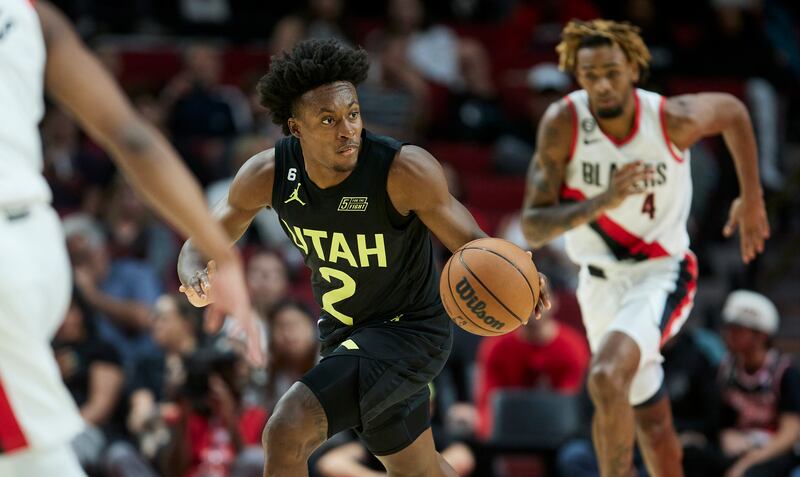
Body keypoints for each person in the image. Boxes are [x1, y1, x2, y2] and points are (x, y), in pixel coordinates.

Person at [177, 38, 549, 477]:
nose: (347, 129)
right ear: (296, 128)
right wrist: (193, 273)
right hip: (345, 333)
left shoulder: (403, 170)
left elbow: (472, 242)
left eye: (352, 114)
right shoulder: (269, 174)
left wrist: (524, 277)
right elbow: (201, 240)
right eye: (328, 120)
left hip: (410, 332)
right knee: (418, 470)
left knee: (286, 429)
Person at [0, 2, 253, 476]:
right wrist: (224, 257)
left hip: (6, 263)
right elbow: (132, 138)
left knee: (33, 461)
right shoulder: (31, 13)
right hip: (33, 236)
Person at [521, 19, 770, 477]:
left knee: (604, 376)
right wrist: (603, 201)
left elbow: (733, 111)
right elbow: (534, 226)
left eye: (612, 71)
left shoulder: (669, 119)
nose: (602, 84)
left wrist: (751, 197)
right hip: (597, 284)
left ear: (634, 68)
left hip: (660, 274)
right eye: (590, 74)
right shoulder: (563, 122)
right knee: (652, 423)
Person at [711, 290, 800, 477]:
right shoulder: (726, 369)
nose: (730, 335)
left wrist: (746, 463)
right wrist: (725, 435)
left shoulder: (784, 372)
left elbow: (790, 434)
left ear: (761, 336)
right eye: (729, 328)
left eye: (738, 329)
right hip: (740, 445)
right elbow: (720, 420)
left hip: (773, 450)